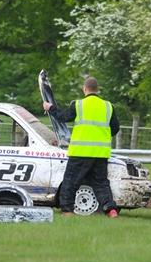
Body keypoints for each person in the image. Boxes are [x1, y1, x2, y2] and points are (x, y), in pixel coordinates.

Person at [43, 76, 120, 218]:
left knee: (70, 182)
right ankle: (111, 210)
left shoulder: (78, 105)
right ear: (97, 90)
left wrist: (50, 108)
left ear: (84, 89)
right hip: (100, 154)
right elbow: (115, 129)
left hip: (80, 152)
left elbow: (63, 116)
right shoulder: (109, 106)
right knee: (101, 183)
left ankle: (67, 211)